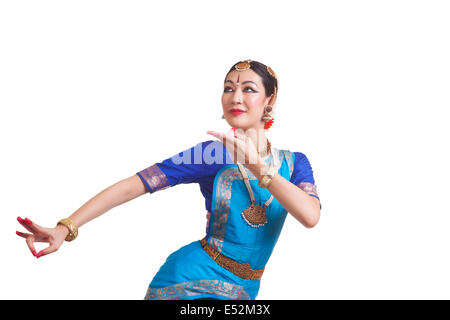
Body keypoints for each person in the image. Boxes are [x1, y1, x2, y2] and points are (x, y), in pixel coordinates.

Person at [16, 59, 321, 300]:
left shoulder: (295, 163)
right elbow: (131, 186)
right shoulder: (210, 155)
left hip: (246, 291)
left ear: (270, 98)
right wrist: (65, 227)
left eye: (249, 89)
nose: (235, 97)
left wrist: (255, 165)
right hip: (189, 281)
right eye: (228, 88)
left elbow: (310, 215)